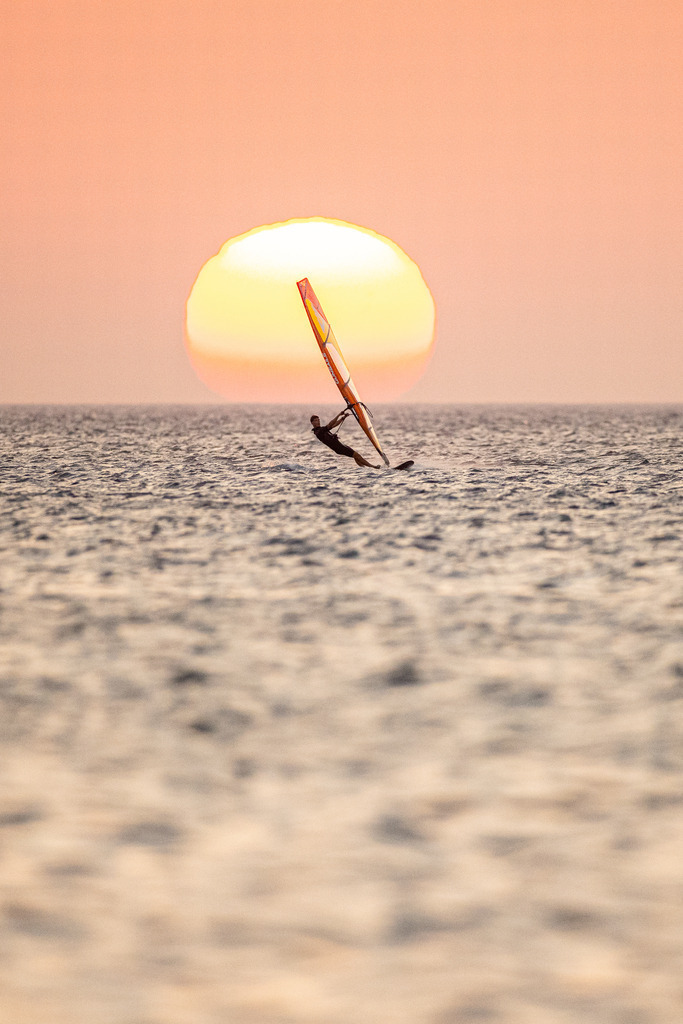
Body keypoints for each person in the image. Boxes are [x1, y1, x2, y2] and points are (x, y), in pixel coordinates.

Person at [310, 412, 379, 468]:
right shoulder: (318, 432)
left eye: (318, 420)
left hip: (340, 446)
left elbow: (334, 425)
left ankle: (363, 468)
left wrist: (343, 417)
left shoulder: (321, 429)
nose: (318, 421)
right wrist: (339, 414)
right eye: (316, 420)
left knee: (355, 456)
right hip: (339, 448)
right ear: (312, 423)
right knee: (356, 455)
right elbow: (331, 423)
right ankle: (372, 467)